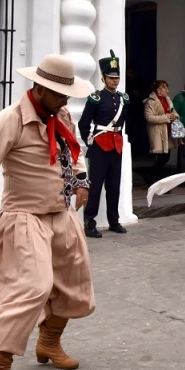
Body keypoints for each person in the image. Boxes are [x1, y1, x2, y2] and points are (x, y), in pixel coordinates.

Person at [0, 54, 96, 370]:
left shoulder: (62, 115)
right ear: (40, 88)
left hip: (61, 213)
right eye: (60, 94)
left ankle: (49, 342)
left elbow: (74, 148)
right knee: (34, 288)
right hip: (24, 218)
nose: (66, 100)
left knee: (74, 282)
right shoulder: (9, 121)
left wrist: (80, 179)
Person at [78, 51, 129, 238]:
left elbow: (122, 123)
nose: (115, 80)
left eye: (117, 77)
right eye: (111, 77)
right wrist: (90, 141)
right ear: (103, 77)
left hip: (116, 145)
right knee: (96, 185)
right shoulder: (96, 98)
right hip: (100, 146)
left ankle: (113, 221)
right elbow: (84, 124)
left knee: (114, 185)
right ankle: (89, 222)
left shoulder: (124, 99)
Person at [143, 80, 178, 170]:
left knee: (166, 158)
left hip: (168, 133)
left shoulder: (168, 99)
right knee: (161, 158)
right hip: (158, 133)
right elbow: (149, 118)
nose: (168, 90)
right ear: (158, 90)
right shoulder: (150, 102)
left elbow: (174, 111)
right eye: (165, 88)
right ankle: (153, 177)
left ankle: (153, 176)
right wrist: (166, 117)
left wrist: (175, 116)